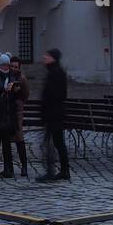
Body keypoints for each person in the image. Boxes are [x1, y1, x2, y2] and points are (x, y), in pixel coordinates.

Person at [35, 48, 70, 183]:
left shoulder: (56, 73)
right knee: (56, 143)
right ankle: (63, 170)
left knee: (54, 143)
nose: (44, 57)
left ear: (53, 58)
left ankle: (53, 171)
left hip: (54, 115)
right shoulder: (53, 72)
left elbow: (56, 95)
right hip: (53, 114)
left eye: (47, 56)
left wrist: (47, 110)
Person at [8, 55, 31, 177]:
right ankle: (9, 167)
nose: (13, 68)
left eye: (16, 66)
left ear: (19, 67)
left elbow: (26, 94)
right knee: (7, 139)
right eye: (12, 66)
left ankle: (24, 166)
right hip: (7, 111)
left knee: (19, 139)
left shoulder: (22, 79)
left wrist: (19, 101)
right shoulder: (7, 77)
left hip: (17, 112)